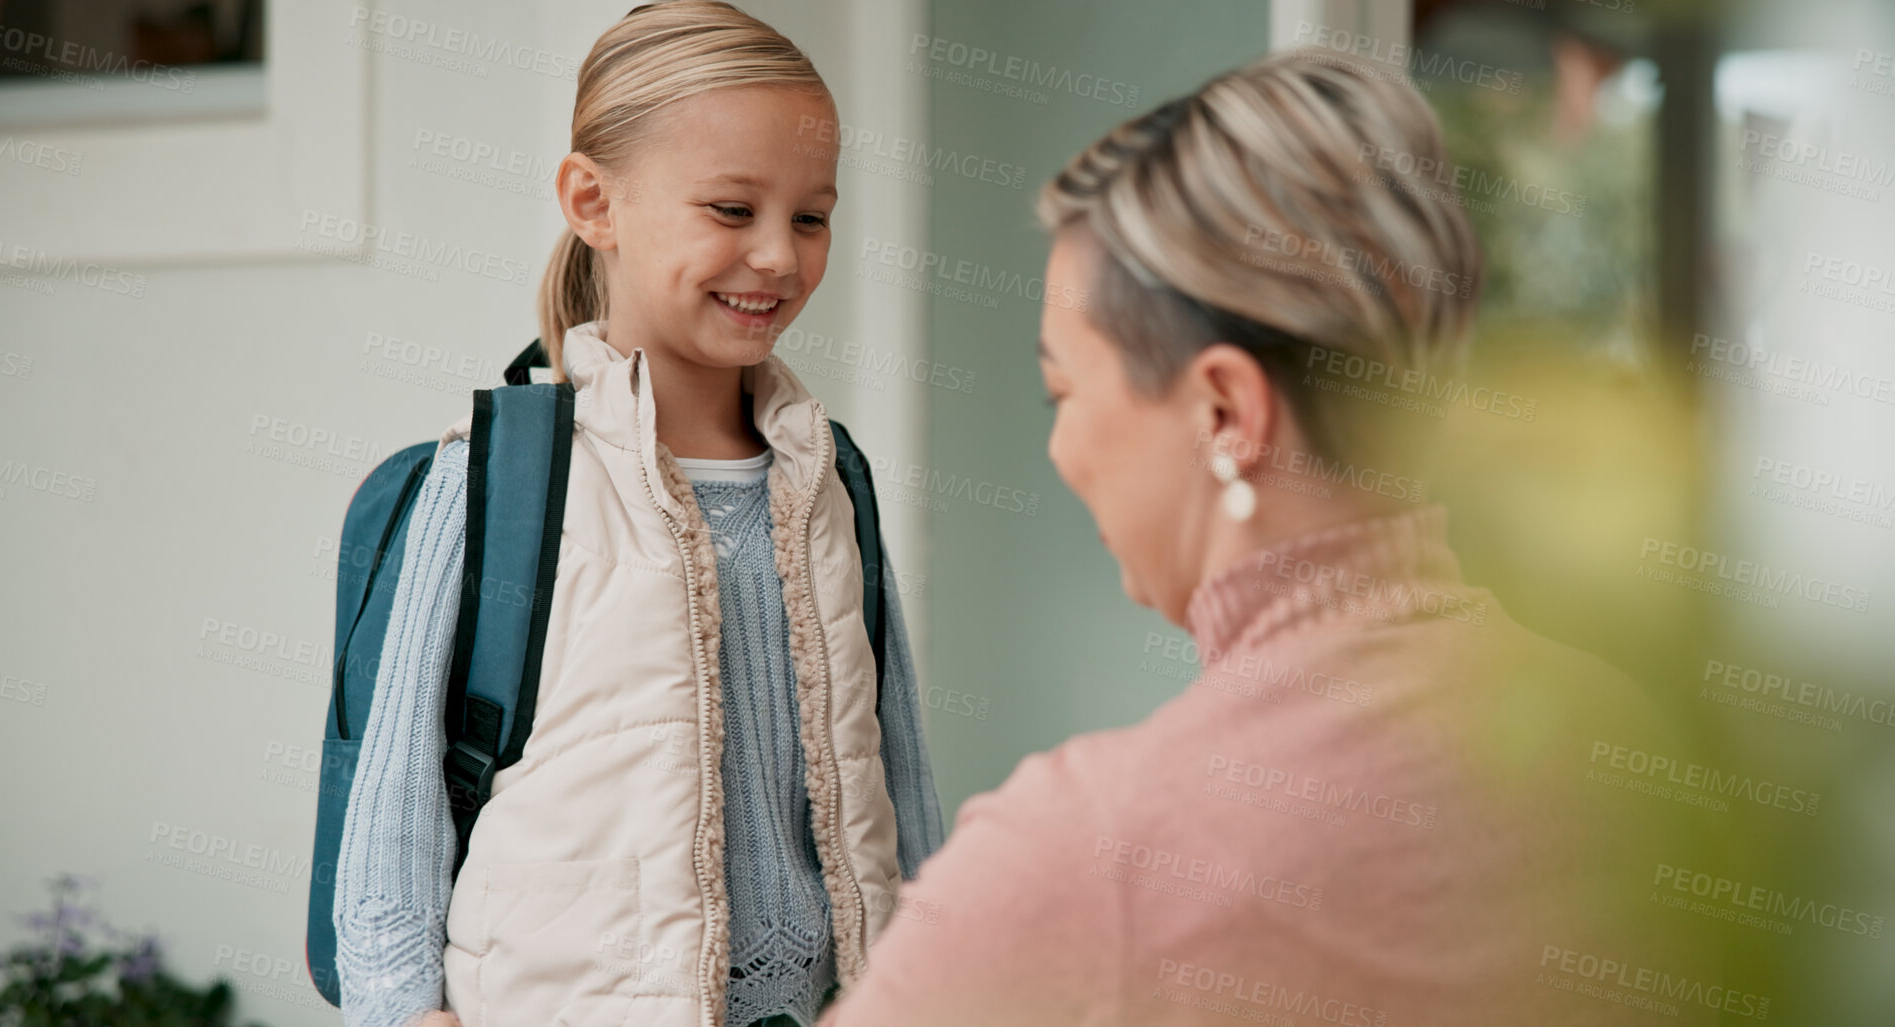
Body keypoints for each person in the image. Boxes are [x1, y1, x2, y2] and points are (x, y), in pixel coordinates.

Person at [818, 47, 1717, 1026]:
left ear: (1224, 412)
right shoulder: (1630, 746)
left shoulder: (1084, 859)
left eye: (1063, 390)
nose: (1061, 448)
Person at [333, 4, 944, 1026]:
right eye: (731, 209)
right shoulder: (496, 479)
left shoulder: (832, 478)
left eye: (810, 216)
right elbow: (392, 800)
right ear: (592, 201)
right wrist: (399, 1008)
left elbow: (899, 773)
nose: (780, 260)